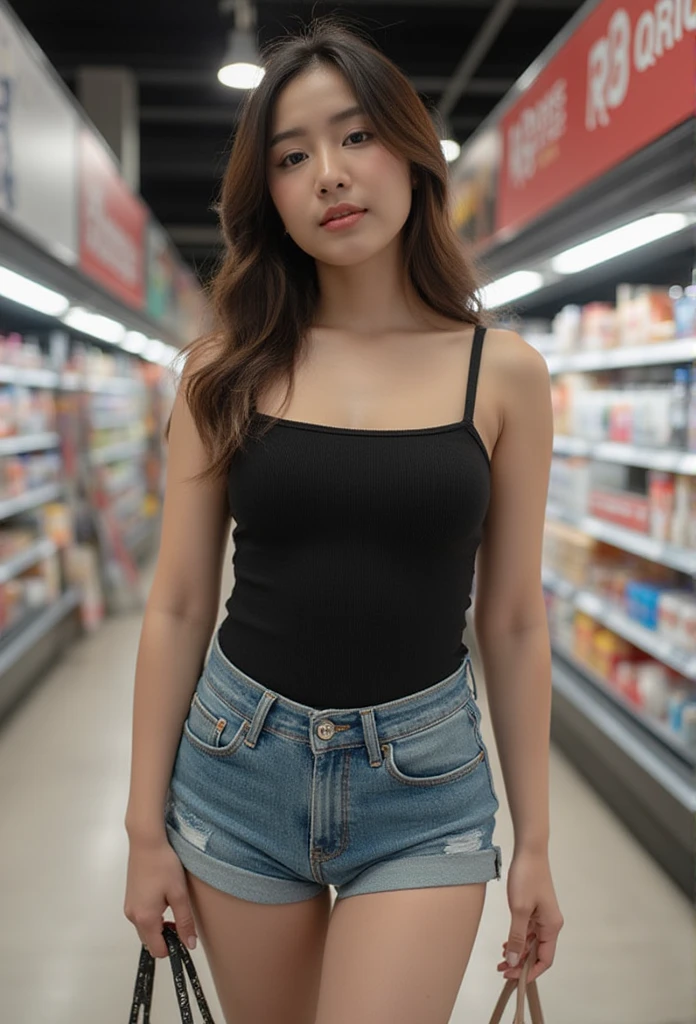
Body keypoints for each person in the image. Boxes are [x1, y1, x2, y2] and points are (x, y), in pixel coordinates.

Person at [123, 17, 563, 1024]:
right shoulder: (222, 373)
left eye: (356, 135)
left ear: (411, 152)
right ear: (268, 194)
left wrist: (534, 841)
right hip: (238, 765)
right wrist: (144, 828)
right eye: (292, 154)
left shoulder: (501, 375)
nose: (329, 173)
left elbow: (513, 619)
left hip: (426, 784)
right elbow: (182, 602)